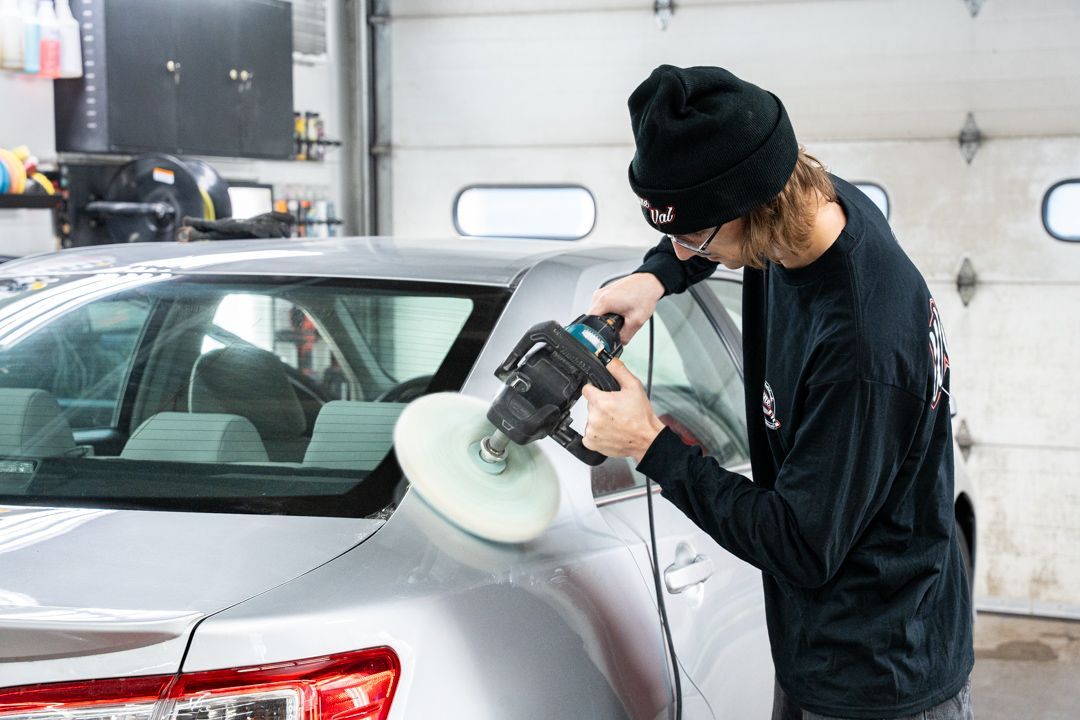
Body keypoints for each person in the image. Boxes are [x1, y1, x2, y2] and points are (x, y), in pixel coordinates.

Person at [581, 64, 974, 720]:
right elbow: (708, 236)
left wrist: (650, 444)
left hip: (880, 680)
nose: (681, 249)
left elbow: (799, 544)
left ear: (752, 208)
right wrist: (658, 277)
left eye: (689, 237)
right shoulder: (810, 209)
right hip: (817, 652)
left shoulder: (862, 345)